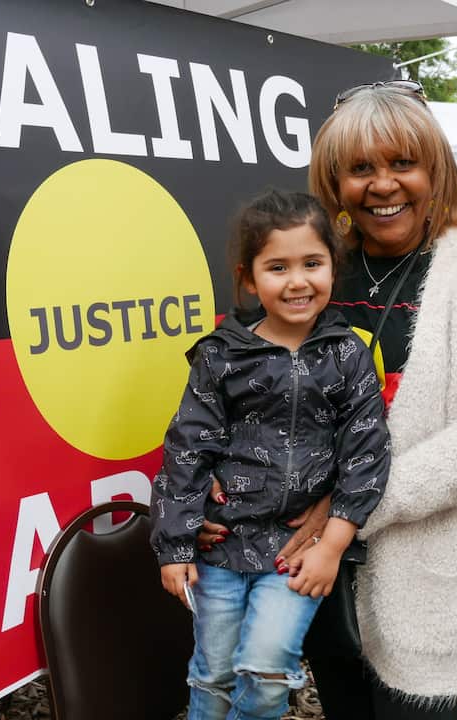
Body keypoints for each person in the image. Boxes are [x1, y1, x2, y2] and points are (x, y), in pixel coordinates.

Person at [198, 80, 457, 718]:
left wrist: (350, 508)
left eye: (403, 163)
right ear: (335, 183)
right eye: (360, 168)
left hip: (425, 570)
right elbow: (255, 393)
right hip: (316, 574)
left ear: (434, 169)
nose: (383, 185)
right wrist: (219, 478)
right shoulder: (319, 267)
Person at [150, 189, 392, 720]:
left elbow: (367, 451)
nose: (297, 281)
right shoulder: (222, 355)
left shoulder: (348, 354)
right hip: (221, 550)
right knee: (213, 674)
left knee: (265, 672)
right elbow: (188, 447)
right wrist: (175, 544)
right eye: (278, 267)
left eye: (312, 263)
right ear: (249, 278)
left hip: (296, 556)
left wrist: (332, 545)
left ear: (334, 267)